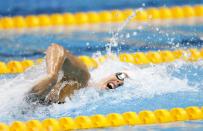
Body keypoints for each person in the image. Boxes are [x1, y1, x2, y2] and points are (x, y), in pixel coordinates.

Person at [27, 44, 128, 104]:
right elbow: (57, 48)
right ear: (107, 74)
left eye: (120, 85)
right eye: (119, 75)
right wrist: (52, 75)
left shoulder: (85, 97)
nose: (118, 81)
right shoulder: (83, 78)